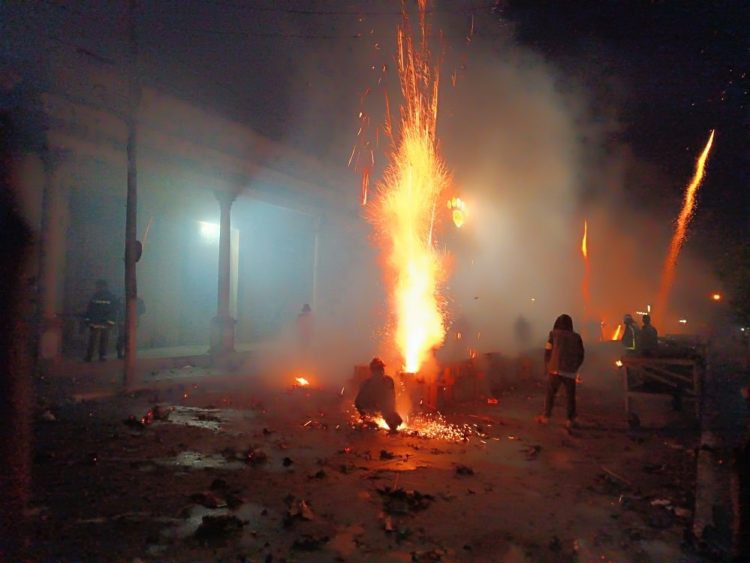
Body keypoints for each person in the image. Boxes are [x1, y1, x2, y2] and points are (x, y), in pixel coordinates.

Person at [536, 314, 585, 429]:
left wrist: (547, 366)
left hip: (555, 369)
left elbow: (547, 351)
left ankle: (546, 417)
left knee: (550, 394)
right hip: (570, 371)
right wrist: (575, 367)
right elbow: (581, 354)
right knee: (570, 396)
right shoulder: (576, 337)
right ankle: (570, 420)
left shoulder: (553, 334)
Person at [355, 357, 403, 432]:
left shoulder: (388, 381)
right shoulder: (366, 384)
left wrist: (392, 413)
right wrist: (364, 415)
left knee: (395, 423)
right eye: (378, 369)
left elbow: (391, 399)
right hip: (370, 407)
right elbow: (358, 402)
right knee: (371, 424)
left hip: (382, 406)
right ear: (373, 371)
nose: (381, 371)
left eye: (381, 369)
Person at [83, 280, 117, 362]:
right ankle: (102, 356)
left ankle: (90, 356)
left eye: (97, 286)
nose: (96, 288)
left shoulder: (96, 296)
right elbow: (113, 311)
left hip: (96, 322)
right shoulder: (110, 296)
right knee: (103, 340)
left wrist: (87, 320)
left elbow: (90, 309)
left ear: (101, 286)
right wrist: (111, 322)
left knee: (93, 340)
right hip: (105, 322)